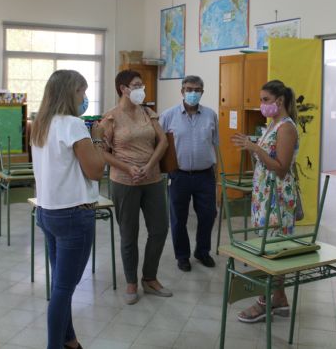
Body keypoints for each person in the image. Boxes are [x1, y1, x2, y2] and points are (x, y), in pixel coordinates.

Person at [31, 70, 106, 349]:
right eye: (81, 92)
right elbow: (96, 171)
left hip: (48, 212)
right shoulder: (74, 124)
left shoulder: (40, 124)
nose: (84, 98)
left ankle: (69, 340)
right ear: (69, 93)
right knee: (64, 289)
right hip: (74, 215)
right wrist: (96, 137)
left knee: (60, 284)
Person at [100, 69, 171, 305]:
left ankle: (149, 278)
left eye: (142, 85)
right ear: (124, 89)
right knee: (128, 233)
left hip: (152, 179)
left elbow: (162, 141)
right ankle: (131, 280)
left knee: (159, 229)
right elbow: (102, 152)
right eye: (137, 85)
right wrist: (129, 168)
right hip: (124, 182)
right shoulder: (110, 117)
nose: (142, 89)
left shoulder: (148, 112)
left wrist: (150, 165)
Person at [231, 79, 299, 323]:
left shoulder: (286, 128)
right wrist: (252, 148)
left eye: (265, 100)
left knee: (272, 250)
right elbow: (265, 160)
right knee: (268, 247)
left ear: (279, 101)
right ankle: (279, 299)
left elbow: (280, 168)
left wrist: (254, 148)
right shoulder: (272, 125)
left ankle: (265, 300)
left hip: (278, 198)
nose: (262, 104)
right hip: (264, 196)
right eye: (261, 100)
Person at [160, 75, 218, 272]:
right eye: (189, 89)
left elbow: (215, 144)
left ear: (203, 91)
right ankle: (182, 256)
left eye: (197, 89)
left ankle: (202, 251)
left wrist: (217, 174)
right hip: (179, 175)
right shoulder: (168, 116)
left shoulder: (211, 115)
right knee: (178, 218)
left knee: (208, 215)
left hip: (205, 175)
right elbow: (160, 146)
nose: (193, 93)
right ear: (182, 91)